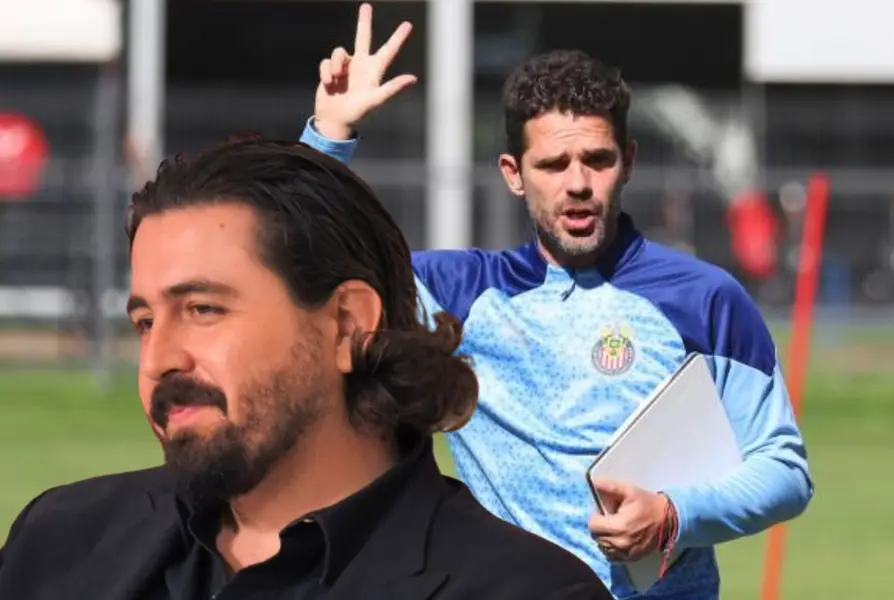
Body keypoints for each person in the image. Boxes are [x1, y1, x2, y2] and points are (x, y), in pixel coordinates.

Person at [296, 7, 815, 599]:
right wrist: (329, 137)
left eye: (597, 160)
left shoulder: (706, 300)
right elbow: (305, 267)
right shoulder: (456, 297)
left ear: (629, 162)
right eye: (552, 164)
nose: (576, 183)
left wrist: (674, 515)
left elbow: (784, 470)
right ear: (514, 174)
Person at [0, 136, 611, 600]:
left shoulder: (526, 589)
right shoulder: (58, 542)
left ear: (347, 323)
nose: (160, 360)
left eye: (203, 308)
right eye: (145, 323)